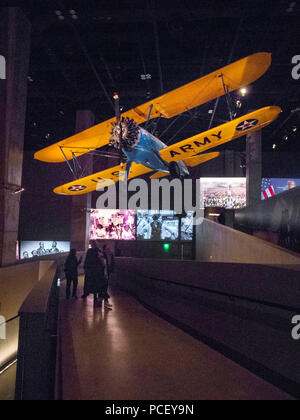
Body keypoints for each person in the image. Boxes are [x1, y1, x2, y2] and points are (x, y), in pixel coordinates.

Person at [101, 245, 114, 309]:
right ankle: (106, 302)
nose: (109, 250)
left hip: (105, 275)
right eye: (107, 248)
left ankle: (105, 302)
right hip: (103, 276)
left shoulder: (107, 256)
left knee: (104, 289)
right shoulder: (103, 257)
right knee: (104, 289)